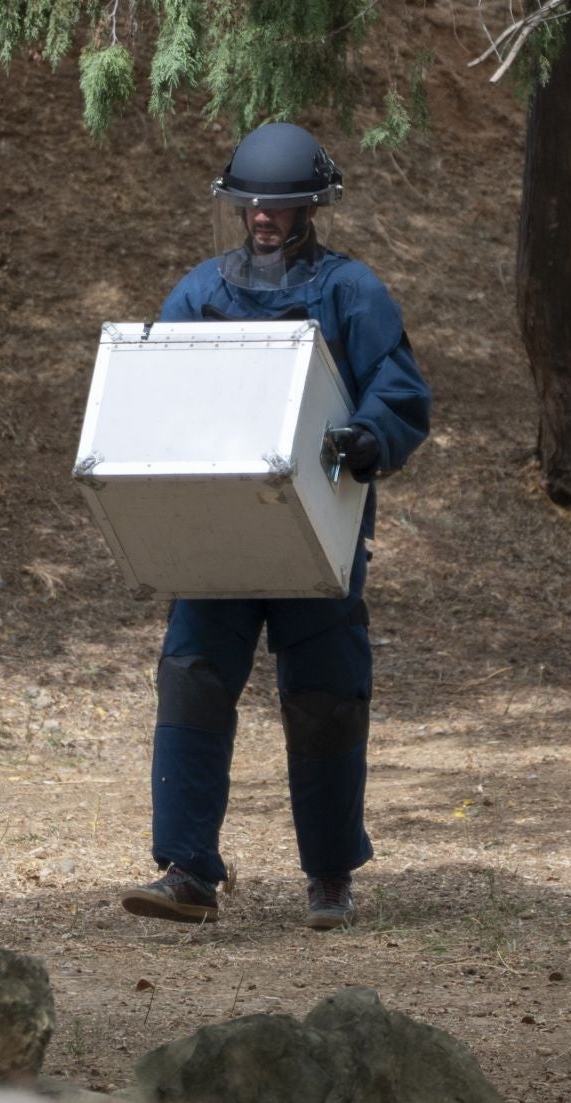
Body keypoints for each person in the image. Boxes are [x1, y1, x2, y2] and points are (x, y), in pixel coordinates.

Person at [119, 122, 431, 930]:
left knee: (327, 694)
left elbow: (399, 393)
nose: (263, 216)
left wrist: (372, 436)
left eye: (281, 204)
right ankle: (188, 872)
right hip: (219, 533)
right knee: (192, 677)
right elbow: (159, 391)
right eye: (252, 202)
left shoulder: (351, 291)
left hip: (317, 534)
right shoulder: (198, 294)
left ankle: (330, 876)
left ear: (310, 209)